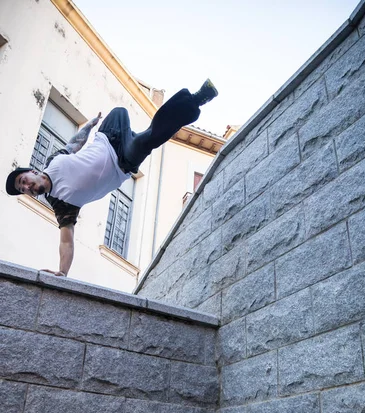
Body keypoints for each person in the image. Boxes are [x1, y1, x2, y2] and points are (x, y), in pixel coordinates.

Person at [5, 79, 218, 277]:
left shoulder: (52, 161)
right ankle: (197, 99)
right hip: (123, 161)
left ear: (32, 172)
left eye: (23, 182)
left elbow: (73, 145)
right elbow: (66, 241)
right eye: (23, 189)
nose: (26, 188)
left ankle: (133, 135)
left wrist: (89, 126)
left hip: (109, 131)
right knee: (148, 140)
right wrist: (63, 273)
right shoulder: (61, 205)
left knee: (120, 111)